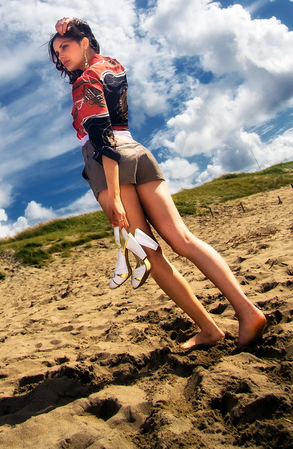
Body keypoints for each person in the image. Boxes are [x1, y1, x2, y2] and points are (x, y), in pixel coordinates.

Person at [49, 17, 266, 350]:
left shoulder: (84, 84)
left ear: (84, 42)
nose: (60, 55)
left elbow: (102, 137)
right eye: (56, 51)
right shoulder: (112, 66)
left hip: (107, 163)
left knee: (150, 256)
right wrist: (76, 24)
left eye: (65, 46)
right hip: (138, 151)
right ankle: (247, 310)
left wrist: (116, 198)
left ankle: (209, 328)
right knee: (184, 239)